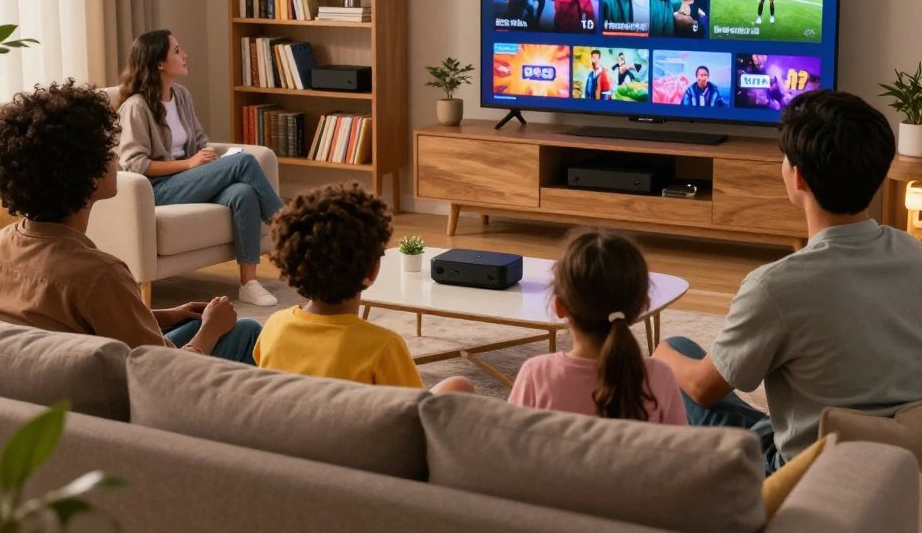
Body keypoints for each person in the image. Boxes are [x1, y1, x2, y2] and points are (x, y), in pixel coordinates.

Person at [653, 90, 922, 474]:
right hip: (900, 464)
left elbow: (702, 388)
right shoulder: (914, 253)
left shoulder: (774, 287)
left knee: (674, 354)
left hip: (805, 474)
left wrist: (658, 355)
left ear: (797, 178)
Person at [0, 81, 261, 363]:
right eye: (107, 150)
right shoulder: (99, 274)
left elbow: (63, 322)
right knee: (245, 330)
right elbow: (165, 373)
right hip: (116, 398)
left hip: (49, 387)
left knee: (204, 326)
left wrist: (161, 315)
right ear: (88, 174)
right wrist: (211, 328)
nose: (115, 158)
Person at [255, 183, 474, 394]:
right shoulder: (383, 346)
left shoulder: (275, 326)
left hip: (294, 428)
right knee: (458, 386)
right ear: (372, 271)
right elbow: (411, 413)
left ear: (290, 266)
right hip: (358, 431)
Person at [117, 30, 283, 307]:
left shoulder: (181, 95)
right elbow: (135, 165)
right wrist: (190, 164)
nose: (185, 55)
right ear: (159, 62)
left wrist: (207, 161)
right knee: (243, 162)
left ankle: (249, 283)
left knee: (243, 192)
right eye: (177, 51)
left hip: (189, 180)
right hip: (158, 189)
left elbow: (199, 141)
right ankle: (291, 232)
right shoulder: (136, 107)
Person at [508, 229, 685, 424]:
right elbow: (679, 452)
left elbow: (511, 447)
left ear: (559, 307)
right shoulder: (660, 377)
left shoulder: (537, 375)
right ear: (644, 304)